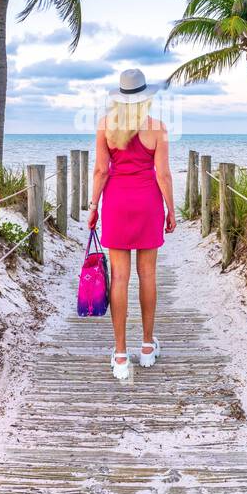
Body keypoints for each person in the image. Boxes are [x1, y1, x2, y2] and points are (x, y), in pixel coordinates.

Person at [88, 69, 176, 381]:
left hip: (116, 204)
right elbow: (163, 175)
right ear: (145, 97)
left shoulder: (105, 127)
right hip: (148, 203)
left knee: (120, 278)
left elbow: (100, 171)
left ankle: (121, 354)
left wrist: (93, 206)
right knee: (148, 274)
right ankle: (148, 347)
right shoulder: (158, 129)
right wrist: (171, 211)